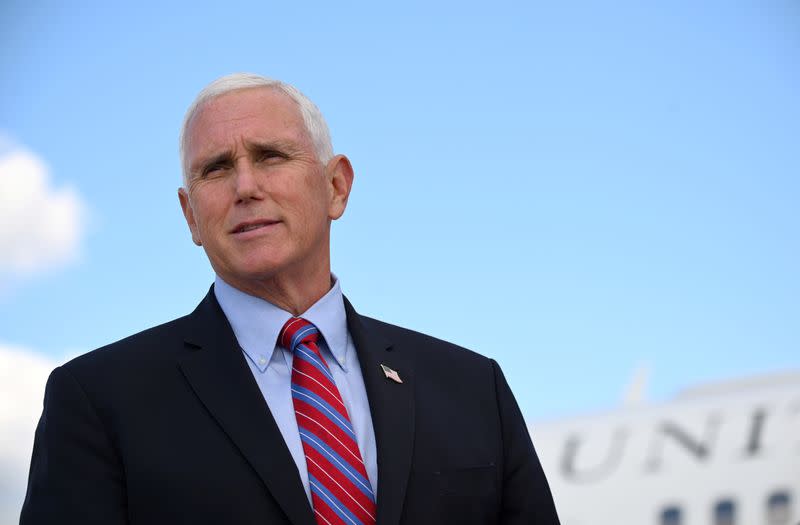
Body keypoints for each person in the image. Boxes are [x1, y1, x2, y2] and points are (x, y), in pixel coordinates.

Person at [20, 73, 560, 525]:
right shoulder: (98, 400)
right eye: (216, 169)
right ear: (191, 216)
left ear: (336, 187)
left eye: (271, 156)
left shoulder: (471, 388)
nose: (245, 186)